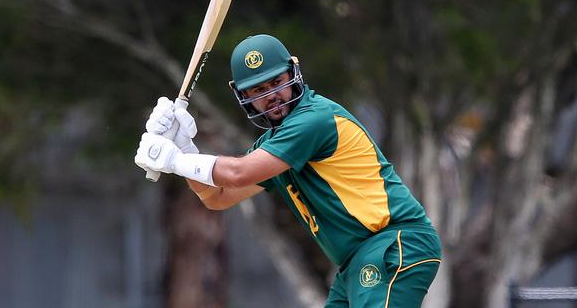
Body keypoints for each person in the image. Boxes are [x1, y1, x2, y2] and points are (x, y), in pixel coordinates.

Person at [134, 34, 442, 308]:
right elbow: (218, 197)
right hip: (355, 262)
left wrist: (174, 161)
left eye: (276, 82)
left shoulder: (314, 120)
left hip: (393, 243)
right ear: (244, 97)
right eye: (258, 89)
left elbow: (238, 173)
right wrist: (187, 150)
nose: (271, 95)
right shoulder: (275, 146)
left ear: (293, 74)